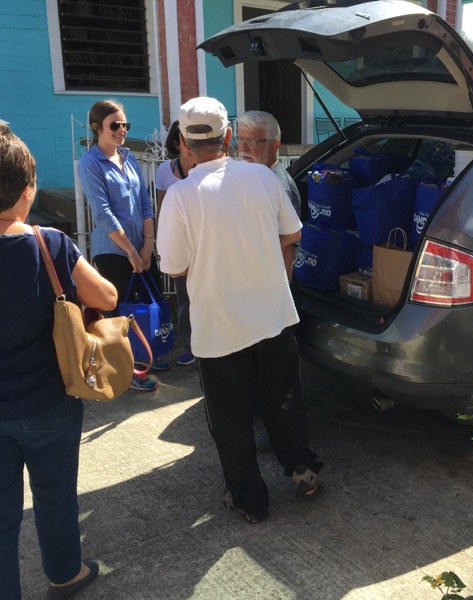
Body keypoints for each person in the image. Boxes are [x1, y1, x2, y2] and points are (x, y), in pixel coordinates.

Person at [0, 123, 117, 599]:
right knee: (54, 497)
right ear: (28, 190)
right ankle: (65, 574)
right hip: (46, 407)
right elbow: (105, 296)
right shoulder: (50, 243)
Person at [157, 97, 323, 524]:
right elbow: (293, 234)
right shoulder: (261, 178)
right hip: (271, 314)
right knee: (283, 395)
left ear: (184, 145)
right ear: (228, 137)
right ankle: (301, 466)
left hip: (220, 328)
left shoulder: (179, 196)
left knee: (230, 418)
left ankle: (251, 498)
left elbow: (174, 266)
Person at [78, 99, 167, 391]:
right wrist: (130, 250)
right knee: (118, 317)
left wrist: (146, 245)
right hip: (114, 253)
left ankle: (149, 355)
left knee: (146, 306)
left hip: (141, 248)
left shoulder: (128, 159)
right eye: (114, 125)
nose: (121, 130)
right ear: (96, 127)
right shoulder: (91, 163)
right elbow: (103, 213)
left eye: (124, 125)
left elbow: (145, 204)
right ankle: (127, 375)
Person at [155, 120, 197, 366]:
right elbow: (162, 211)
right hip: (181, 245)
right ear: (175, 143)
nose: (191, 145)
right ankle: (190, 346)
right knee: (184, 299)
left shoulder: (207, 169)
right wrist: (162, 245)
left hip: (204, 244)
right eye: (185, 139)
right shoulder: (164, 171)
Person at [236, 110, 301, 217]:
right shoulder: (255, 176)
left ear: (273, 146)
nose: (243, 148)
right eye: (240, 139)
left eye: (251, 141)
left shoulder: (278, 188)